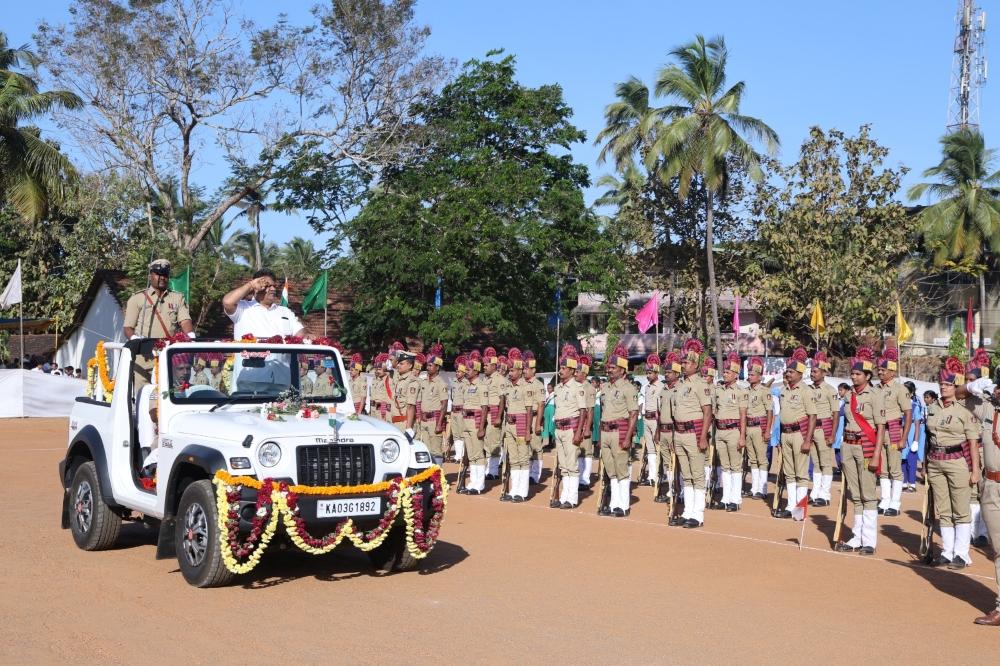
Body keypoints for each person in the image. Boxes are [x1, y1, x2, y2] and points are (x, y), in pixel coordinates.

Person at [925, 357, 981, 569]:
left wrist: (975, 470)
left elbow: (973, 443)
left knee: (960, 509)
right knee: (943, 509)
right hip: (936, 461)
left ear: (956, 386)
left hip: (957, 460)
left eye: (948, 384)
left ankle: (961, 553)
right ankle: (947, 552)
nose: (943, 387)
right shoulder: (934, 407)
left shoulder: (965, 409)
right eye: (941, 384)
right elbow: (928, 437)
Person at [834, 347, 886, 555]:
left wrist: (875, 455)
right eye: (852, 374)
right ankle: (857, 537)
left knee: (868, 494)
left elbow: (881, 427)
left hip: (866, 446)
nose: (853, 377)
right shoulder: (848, 396)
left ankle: (869, 541)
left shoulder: (875, 395)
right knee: (855, 495)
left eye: (857, 374)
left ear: (867, 376)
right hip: (848, 445)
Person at [123, 259, 195, 390]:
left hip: (168, 356)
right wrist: (135, 340)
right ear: (150, 275)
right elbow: (128, 328)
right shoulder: (137, 298)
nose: (162, 278)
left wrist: (191, 336)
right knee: (143, 395)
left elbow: (185, 320)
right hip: (144, 357)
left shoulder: (177, 298)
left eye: (165, 275)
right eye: (158, 274)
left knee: (165, 395)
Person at [671, 339, 713, 528]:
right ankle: (688, 511)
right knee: (686, 475)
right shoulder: (679, 385)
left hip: (694, 433)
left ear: (695, 364)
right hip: (679, 433)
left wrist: (703, 437)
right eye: (682, 362)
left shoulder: (701, 384)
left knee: (697, 475)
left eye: (686, 362)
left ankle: (698, 514)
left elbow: (707, 412)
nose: (683, 365)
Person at [774, 348, 817, 519]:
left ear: (800, 374)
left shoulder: (806, 391)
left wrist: (808, 440)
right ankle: (791, 506)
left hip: (800, 434)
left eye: (791, 372)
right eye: (787, 371)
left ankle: (800, 510)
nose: (788, 374)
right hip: (786, 434)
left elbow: (812, 416)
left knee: (801, 473)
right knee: (789, 472)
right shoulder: (784, 390)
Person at [598, 344, 639, 517]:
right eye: (608, 367)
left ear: (622, 370)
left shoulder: (628, 388)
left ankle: (623, 505)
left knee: (621, 468)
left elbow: (633, 414)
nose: (609, 370)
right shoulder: (606, 387)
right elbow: (603, 411)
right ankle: (614, 502)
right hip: (606, 431)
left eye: (613, 368)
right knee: (610, 469)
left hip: (619, 431)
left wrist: (629, 437)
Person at [974, 383, 1000, 626]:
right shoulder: (987, 408)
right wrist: (975, 385)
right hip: (992, 485)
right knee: (999, 549)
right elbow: (958, 394)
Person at [876, 347, 912, 518]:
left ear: (891, 371)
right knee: (882, 468)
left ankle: (895, 503)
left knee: (894, 468)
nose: (880, 372)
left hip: (893, 432)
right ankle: (884, 500)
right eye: (879, 369)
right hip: (878, 433)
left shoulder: (900, 389)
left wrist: (904, 438)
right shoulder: (876, 388)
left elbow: (908, 414)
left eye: (883, 370)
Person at [551, 347, 588, 509]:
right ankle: (564, 495)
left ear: (572, 370)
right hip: (559, 429)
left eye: (564, 368)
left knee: (571, 464)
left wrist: (579, 432)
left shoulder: (577, 387)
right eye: (561, 368)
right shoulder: (558, 388)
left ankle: (571, 498)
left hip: (571, 429)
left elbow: (583, 412)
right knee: (563, 465)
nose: (561, 371)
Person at [222, 269, 305, 339]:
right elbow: (227, 302)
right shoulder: (243, 308)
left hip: (281, 358)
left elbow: (299, 332)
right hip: (249, 357)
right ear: (256, 287)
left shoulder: (285, 311)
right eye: (267, 286)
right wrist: (251, 285)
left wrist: (306, 336)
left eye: (274, 286)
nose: (273, 289)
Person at [711, 352, 747, 512]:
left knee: (735, 466)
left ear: (735, 374)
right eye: (724, 372)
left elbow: (743, 415)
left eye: (728, 372)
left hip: (734, 431)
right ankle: (726, 497)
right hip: (720, 431)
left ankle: (735, 498)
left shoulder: (741, 392)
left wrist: (742, 436)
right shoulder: (718, 390)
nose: (724, 374)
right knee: (725, 466)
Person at [500, 348, 534, 501]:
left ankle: (522, 491)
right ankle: (514, 489)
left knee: (523, 458)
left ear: (520, 371)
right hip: (510, 424)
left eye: (512, 370)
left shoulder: (526, 387)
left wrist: (528, 430)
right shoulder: (508, 386)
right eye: (509, 370)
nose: (510, 373)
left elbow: (529, 410)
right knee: (513, 458)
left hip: (521, 424)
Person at [808, 351, 838, 506]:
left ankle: (825, 495)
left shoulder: (830, 390)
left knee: (826, 462)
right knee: (816, 462)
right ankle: (815, 491)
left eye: (815, 371)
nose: (812, 374)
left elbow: (836, 414)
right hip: (811, 430)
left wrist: (832, 434)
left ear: (823, 372)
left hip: (823, 428)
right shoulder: (808, 389)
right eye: (811, 371)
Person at [458, 351, 488, 495]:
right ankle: (473, 482)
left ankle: (479, 484)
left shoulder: (481, 386)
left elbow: (484, 408)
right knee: (471, 454)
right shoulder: (467, 385)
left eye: (469, 369)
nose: (466, 372)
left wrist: (482, 427)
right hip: (466, 422)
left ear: (476, 371)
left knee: (478, 453)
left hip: (476, 422)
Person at [745, 356, 774, 499]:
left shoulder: (764, 391)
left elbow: (770, 412)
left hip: (759, 427)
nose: (749, 377)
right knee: (753, 459)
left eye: (752, 375)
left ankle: (762, 489)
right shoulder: (747, 391)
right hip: (749, 427)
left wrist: (768, 431)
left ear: (759, 377)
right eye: (749, 374)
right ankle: (754, 487)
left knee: (762, 459)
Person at [655, 351, 681, 503]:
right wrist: (658, 431)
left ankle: (679, 489)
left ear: (677, 374)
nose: (667, 374)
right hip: (663, 430)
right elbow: (659, 413)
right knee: (667, 463)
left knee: (677, 461)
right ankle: (672, 489)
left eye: (670, 372)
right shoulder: (663, 390)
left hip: (673, 431)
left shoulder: (679, 389)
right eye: (666, 372)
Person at [481, 348, 509, 481]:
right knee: (486, 442)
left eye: (486, 365)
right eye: (484, 365)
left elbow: (502, 399)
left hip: (494, 413)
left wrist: (498, 416)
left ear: (493, 366)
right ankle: (488, 468)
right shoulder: (485, 379)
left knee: (494, 443)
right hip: (485, 413)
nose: (484, 367)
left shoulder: (500, 379)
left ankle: (493, 471)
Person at [418, 345, 449, 465]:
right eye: (427, 365)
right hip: (424, 420)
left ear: (437, 367)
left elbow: (444, 404)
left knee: (436, 451)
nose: (428, 367)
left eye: (431, 365)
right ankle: (428, 476)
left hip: (434, 420)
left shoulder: (441, 383)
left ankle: (438, 477)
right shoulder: (424, 382)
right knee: (426, 450)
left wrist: (439, 424)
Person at [522, 350, 546, 484]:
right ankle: (527, 471)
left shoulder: (538, 385)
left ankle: (535, 474)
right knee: (525, 447)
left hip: (535, 418)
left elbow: (541, 405)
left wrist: (537, 424)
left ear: (533, 370)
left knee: (536, 446)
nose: (525, 371)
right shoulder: (521, 383)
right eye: (524, 368)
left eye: (527, 368)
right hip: (523, 418)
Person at [640, 354, 664, 489]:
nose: (648, 375)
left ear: (656, 373)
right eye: (647, 373)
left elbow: (661, 408)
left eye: (650, 373)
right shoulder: (647, 387)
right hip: (646, 418)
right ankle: (651, 476)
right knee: (650, 449)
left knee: (658, 447)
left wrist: (659, 427)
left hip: (655, 420)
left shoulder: (660, 387)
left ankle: (659, 475)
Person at [575, 354, 597, 490]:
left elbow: (590, 410)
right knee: (578, 452)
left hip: (584, 425)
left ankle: (585, 480)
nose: (575, 374)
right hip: (576, 423)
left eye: (577, 372)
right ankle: (578, 477)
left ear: (584, 374)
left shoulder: (589, 388)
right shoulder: (576, 386)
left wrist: (587, 428)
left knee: (586, 452)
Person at [903, 381, 924, 492]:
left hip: (911, 437)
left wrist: (916, 441)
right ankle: (903, 482)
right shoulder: (898, 406)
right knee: (902, 461)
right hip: (901, 437)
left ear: (911, 393)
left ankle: (912, 484)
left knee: (911, 462)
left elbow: (917, 425)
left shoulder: (915, 406)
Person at [450, 355, 468, 464]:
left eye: (459, 372)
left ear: (464, 372)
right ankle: (457, 455)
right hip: (454, 411)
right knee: (455, 433)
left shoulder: (466, 383)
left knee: (462, 433)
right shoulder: (454, 383)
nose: (457, 373)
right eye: (456, 371)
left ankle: (462, 455)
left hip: (461, 411)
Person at [370, 353, 392, 421]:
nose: (377, 371)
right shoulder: (376, 379)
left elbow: (389, 397)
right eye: (376, 369)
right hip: (374, 409)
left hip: (382, 411)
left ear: (385, 369)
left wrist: (384, 413)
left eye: (379, 369)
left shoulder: (388, 379)